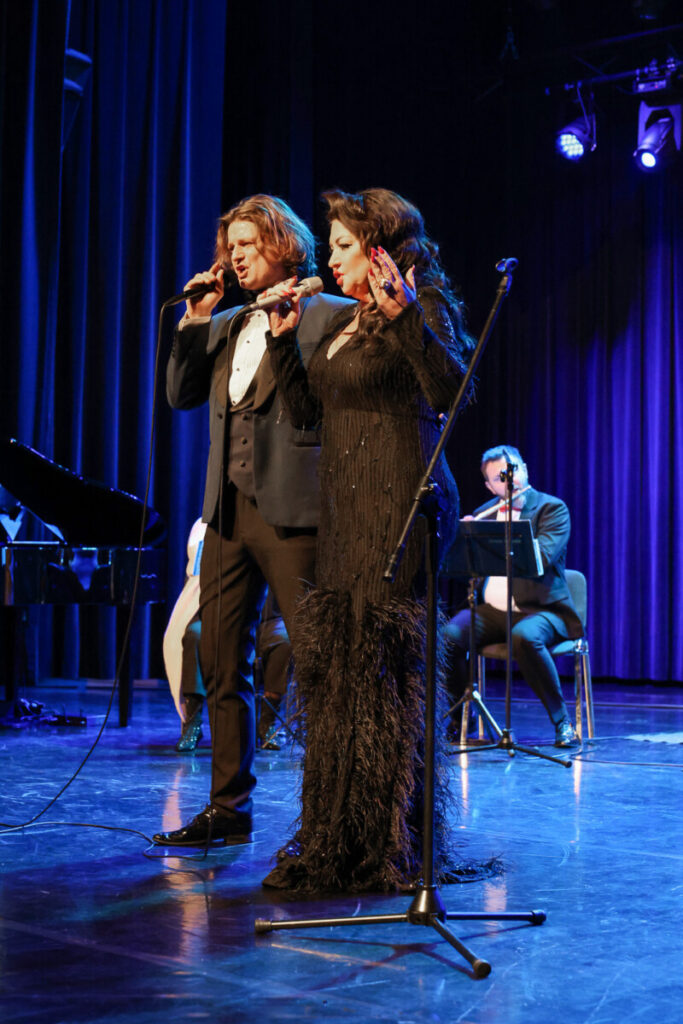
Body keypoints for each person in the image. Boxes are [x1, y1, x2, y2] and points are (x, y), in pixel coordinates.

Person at [260, 187, 475, 892]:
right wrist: (283, 342)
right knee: (343, 672)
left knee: (385, 671)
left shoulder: (422, 304)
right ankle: (337, 836)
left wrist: (407, 316)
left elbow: (451, 393)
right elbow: (307, 414)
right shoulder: (347, 320)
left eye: (343, 246)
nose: (330, 258)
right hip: (346, 507)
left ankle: (389, 843)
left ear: (380, 250)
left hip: (403, 500)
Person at [153, 195, 351, 847]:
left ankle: (332, 813)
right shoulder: (226, 321)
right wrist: (194, 319)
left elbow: (325, 406)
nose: (235, 257)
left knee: (315, 661)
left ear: (283, 244)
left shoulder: (329, 311)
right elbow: (180, 394)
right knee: (219, 658)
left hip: (294, 514)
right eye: (230, 247)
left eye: (247, 244)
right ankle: (228, 808)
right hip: (226, 512)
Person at [444, 445, 583, 748]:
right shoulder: (484, 513)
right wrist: (465, 540)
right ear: (490, 486)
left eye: (514, 470)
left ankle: (562, 722)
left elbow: (541, 558)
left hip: (542, 609)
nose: (511, 480)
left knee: (525, 637)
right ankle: (461, 719)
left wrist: (498, 536)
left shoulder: (551, 509)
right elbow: (466, 568)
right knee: (449, 636)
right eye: (500, 478)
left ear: (524, 469)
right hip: (493, 611)